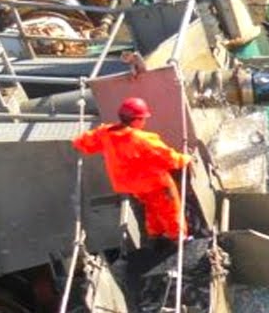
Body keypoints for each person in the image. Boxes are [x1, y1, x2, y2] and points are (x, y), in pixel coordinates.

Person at [72, 97, 193, 242]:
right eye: (143, 119)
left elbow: (82, 143)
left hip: (130, 185)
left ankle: (156, 235)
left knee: (151, 207)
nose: (144, 122)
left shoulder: (105, 133)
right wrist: (186, 159)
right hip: (153, 182)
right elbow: (168, 158)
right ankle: (178, 238)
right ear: (136, 120)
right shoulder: (141, 139)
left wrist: (82, 142)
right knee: (169, 206)